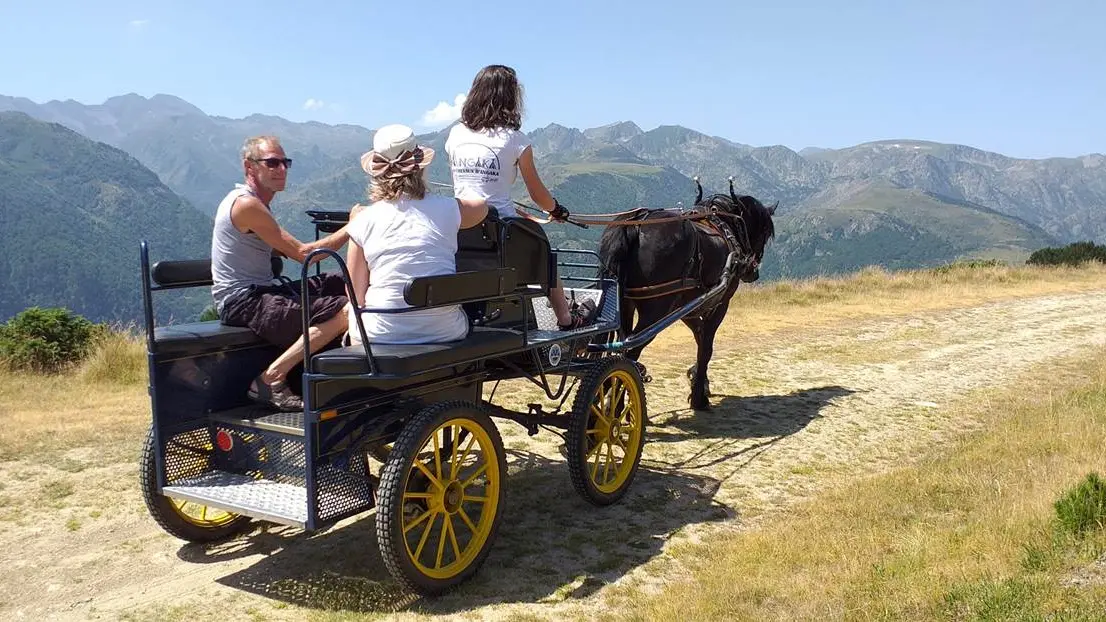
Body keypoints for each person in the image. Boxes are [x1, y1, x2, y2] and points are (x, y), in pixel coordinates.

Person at [445, 64, 597, 330]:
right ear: (511, 97)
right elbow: (538, 195)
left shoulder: (455, 135)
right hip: (500, 231)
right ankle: (565, 318)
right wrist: (557, 210)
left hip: (459, 226)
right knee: (542, 248)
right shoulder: (516, 141)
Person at [211, 135, 351, 411]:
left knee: (340, 281)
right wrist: (354, 226)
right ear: (249, 167)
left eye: (285, 162)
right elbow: (304, 256)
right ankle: (270, 377)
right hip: (243, 301)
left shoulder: (253, 204)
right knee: (347, 309)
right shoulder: (247, 205)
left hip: (257, 292)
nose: (282, 169)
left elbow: (281, 249)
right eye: (272, 163)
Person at [345, 124, 489, 345]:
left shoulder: (363, 220)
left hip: (379, 336)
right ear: (420, 167)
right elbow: (482, 207)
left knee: (354, 318)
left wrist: (353, 221)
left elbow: (355, 295)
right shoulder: (449, 209)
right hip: (443, 332)